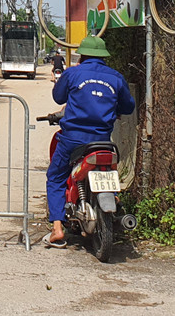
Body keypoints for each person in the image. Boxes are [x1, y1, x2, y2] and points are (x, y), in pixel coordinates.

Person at [44, 34, 133, 248]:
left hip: (72, 139)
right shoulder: (116, 77)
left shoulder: (73, 73)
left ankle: (57, 229)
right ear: (104, 56)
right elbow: (128, 107)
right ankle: (112, 203)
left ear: (82, 55)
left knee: (55, 177)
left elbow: (58, 97)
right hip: (103, 141)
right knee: (108, 171)